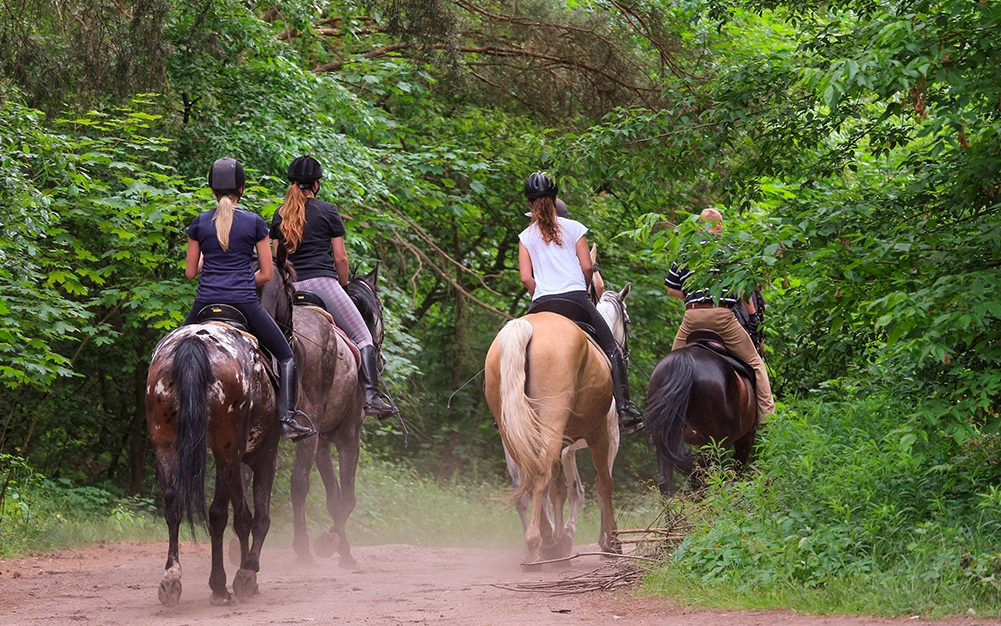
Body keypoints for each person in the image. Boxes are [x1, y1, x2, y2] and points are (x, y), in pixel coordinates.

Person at [183, 157, 316, 441]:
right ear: (241, 189)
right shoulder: (255, 223)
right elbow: (267, 274)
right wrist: (241, 281)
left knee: (173, 350)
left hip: (204, 303)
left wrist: (211, 259)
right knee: (286, 355)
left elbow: (190, 273)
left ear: (212, 190)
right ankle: (287, 418)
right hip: (243, 303)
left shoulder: (199, 224)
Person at [270, 155, 397, 419]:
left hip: (290, 289)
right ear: (316, 184)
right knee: (363, 337)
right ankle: (372, 398)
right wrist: (343, 284)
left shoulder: (280, 214)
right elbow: (341, 257)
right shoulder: (327, 210)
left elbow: (278, 261)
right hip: (322, 284)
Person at [518, 171, 644, 434]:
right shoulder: (575, 228)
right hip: (575, 299)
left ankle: (506, 408)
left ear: (530, 204)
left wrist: (539, 293)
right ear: (554, 199)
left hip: (542, 303)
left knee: (517, 348)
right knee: (611, 346)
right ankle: (624, 409)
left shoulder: (525, 236)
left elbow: (525, 278)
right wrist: (581, 286)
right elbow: (587, 267)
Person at [665, 208, 775, 419]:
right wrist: (753, 317)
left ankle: (664, 419)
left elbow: (671, 289)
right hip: (722, 318)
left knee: (671, 365)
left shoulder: (686, 253)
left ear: (699, 226)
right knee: (756, 364)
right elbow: (743, 290)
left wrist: (692, 298)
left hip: (692, 318)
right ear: (718, 226)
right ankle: (768, 420)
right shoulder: (729, 251)